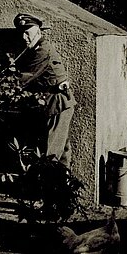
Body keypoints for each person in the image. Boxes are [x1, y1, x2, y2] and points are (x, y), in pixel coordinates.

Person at [13, 13, 76, 168]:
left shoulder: (43, 51)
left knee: (51, 151)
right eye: (22, 32)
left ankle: (49, 189)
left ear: (39, 32)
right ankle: (63, 186)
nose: (24, 37)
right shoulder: (35, 50)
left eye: (27, 32)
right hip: (56, 103)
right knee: (62, 149)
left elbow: (25, 77)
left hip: (58, 104)